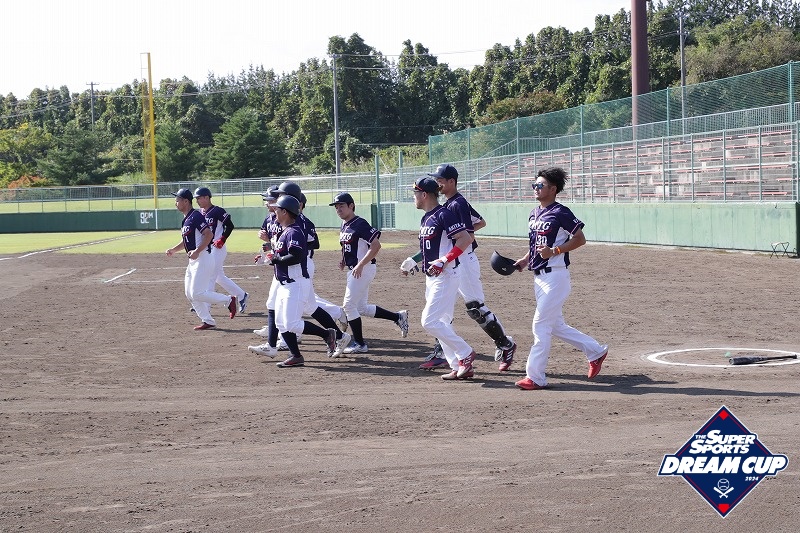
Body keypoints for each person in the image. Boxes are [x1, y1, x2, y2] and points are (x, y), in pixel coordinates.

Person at [511, 166, 609, 390]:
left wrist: (555, 251)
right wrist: (525, 260)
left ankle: (535, 377)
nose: (536, 188)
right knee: (555, 325)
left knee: (540, 325)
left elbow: (580, 239)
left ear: (553, 189)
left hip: (556, 277)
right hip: (539, 278)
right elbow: (536, 245)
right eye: (534, 185)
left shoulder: (561, 212)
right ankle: (595, 351)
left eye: (540, 185)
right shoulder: (534, 213)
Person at [416, 164, 516, 372]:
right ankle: (445, 354)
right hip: (453, 261)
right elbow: (480, 222)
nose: (437, 184)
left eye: (440, 180)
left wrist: (457, 242)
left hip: (463, 260)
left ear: (452, 181)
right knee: (442, 313)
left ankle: (505, 344)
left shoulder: (457, 204)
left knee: (475, 307)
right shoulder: (448, 204)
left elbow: (469, 233)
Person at [264, 194, 350, 368]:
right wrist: (270, 256)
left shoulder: (294, 231)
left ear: (285, 212)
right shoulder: (284, 231)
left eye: (277, 209)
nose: (274, 211)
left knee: (292, 323)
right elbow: (282, 254)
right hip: (285, 283)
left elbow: (296, 256)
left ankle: (327, 335)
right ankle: (296, 356)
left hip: (295, 283)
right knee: (281, 323)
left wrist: (277, 260)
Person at [403, 177, 476, 380]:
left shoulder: (444, 214)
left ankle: (465, 353)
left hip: (446, 276)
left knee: (429, 321)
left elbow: (465, 239)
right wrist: (413, 260)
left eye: (415, 193)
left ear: (424, 194)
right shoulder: (426, 218)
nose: (414, 197)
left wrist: (444, 260)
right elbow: (429, 248)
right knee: (443, 322)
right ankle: (458, 365)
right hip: (432, 277)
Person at [330, 192, 408, 354]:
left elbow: (376, 246)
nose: (338, 209)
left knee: (349, 306)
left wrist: (360, 264)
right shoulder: (344, 224)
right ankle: (398, 317)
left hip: (363, 269)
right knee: (361, 308)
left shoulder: (360, 223)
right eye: (336, 207)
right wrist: (344, 259)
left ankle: (360, 344)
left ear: (351, 206)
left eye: (341, 206)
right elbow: (347, 245)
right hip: (355, 269)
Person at [165, 188, 237, 330]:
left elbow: (209, 234)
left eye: (177, 200)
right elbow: (186, 241)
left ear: (186, 201)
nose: (175, 203)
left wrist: (198, 251)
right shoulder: (186, 219)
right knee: (189, 294)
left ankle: (229, 300)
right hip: (193, 261)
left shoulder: (196, 216)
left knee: (197, 293)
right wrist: (174, 249)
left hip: (203, 258)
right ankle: (208, 321)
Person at [193, 187, 249, 315]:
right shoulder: (200, 213)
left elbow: (230, 225)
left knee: (210, 276)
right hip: (207, 248)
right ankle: (242, 295)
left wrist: (222, 239)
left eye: (199, 198)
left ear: (206, 197)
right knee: (219, 277)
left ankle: (205, 306)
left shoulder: (217, 211)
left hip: (217, 248)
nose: (197, 201)